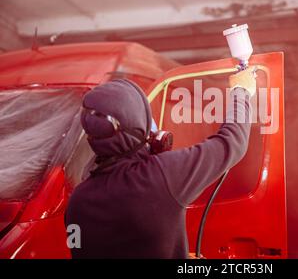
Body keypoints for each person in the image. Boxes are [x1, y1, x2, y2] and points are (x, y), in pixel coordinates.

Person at [65, 67, 256, 258]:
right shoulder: (160, 176)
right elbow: (232, 142)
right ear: (137, 125)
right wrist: (242, 92)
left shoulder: (77, 202)